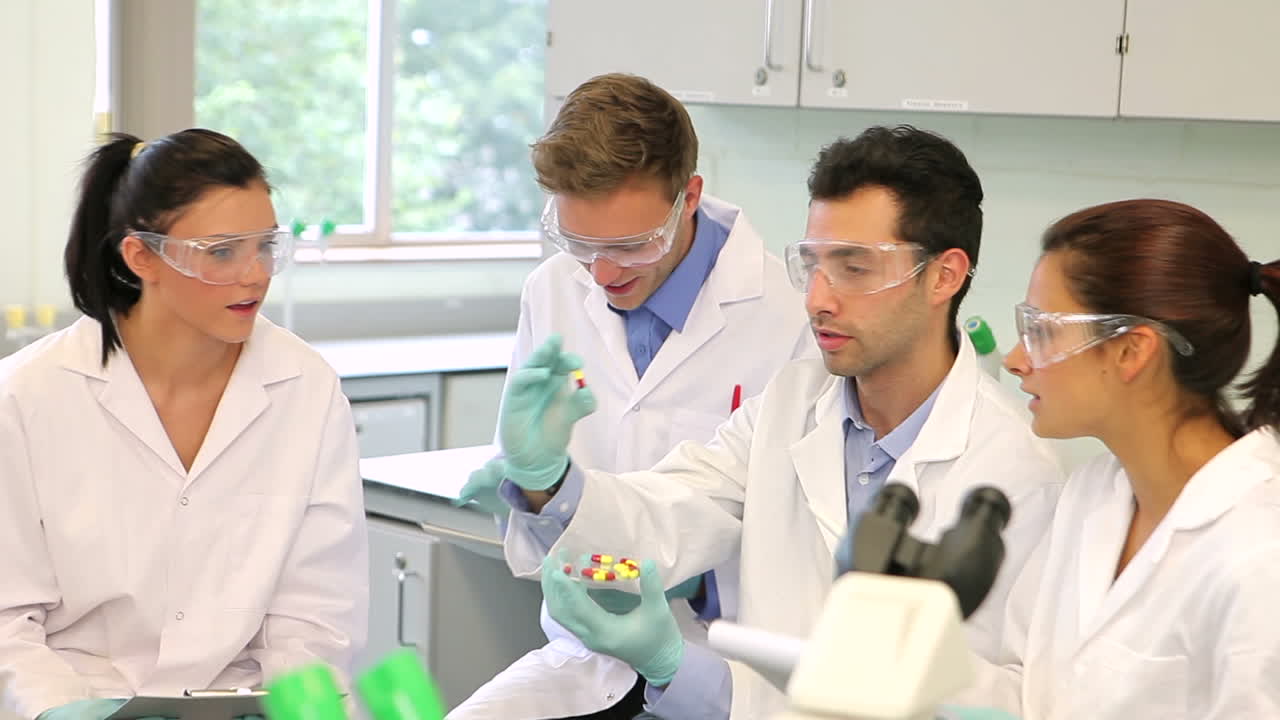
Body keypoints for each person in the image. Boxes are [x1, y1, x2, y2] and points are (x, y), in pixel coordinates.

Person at [495, 125, 1066, 719]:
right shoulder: (793, 402)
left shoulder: (1016, 471)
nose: (818, 298)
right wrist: (550, 483)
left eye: (854, 268)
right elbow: (672, 506)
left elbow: (1008, 699)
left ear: (944, 276)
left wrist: (682, 667)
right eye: (813, 264)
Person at [449, 73, 812, 719]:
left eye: (630, 245)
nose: (604, 273)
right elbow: (541, 553)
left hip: (727, 670)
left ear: (689, 197)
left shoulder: (790, 317)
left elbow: (790, 544)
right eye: (580, 243)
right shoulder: (554, 289)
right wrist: (534, 489)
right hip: (587, 656)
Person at [0, 131, 368, 720]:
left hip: (243, 705)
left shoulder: (306, 387)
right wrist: (59, 711)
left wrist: (308, 709)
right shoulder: (26, 396)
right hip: (78, 702)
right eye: (222, 251)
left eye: (266, 246)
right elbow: (7, 622)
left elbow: (313, 616)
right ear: (142, 256)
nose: (255, 275)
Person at [959, 199, 1280, 718]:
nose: (1017, 361)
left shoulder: (1260, 554)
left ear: (1132, 351)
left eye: (1041, 332)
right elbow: (1029, 691)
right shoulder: (1093, 494)